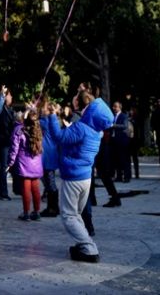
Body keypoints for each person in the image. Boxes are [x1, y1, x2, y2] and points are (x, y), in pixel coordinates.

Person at [52, 91, 113, 263]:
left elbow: (59, 137)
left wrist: (50, 117)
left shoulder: (82, 127)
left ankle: (88, 247)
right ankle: (83, 244)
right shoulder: (97, 131)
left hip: (73, 177)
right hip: (85, 177)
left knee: (69, 215)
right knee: (76, 214)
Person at [8, 109, 44, 221]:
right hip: (36, 162)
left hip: (24, 163)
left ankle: (26, 212)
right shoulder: (38, 129)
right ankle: (37, 211)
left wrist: (10, 162)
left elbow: (14, 148)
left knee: (26, 189)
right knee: (36, 188)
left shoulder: (19, 130)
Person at [39, 99, 62, 217]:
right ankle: (52, 207)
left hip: (48, 155)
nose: (41, 109)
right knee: (48, 182)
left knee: (50, 182)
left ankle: (53, 208)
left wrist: (30, 110)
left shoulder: (46, 121)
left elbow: (31, 121)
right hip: (49, 154)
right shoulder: (49, 120)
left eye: (43, 108)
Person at [0, 86, 15, 200]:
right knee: (4, 167)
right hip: (4, 141)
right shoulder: (2, 108)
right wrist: (2, 94)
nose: (11, 97)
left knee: (8, 166)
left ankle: (16, 189)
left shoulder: (10, 109)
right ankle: (2, 192)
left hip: (9, 140)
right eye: (9, 95)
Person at [110, 101, 131, 183]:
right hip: (114, 140)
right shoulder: (113, 116)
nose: (114, 108)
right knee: (116, 159)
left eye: (115, 106)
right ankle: (119, 176)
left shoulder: (123, 116)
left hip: (122, 140)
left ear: (119, 107)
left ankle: (127, 177)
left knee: (124, 159)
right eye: (113, 106)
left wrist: (113, 125)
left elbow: (124, 126)